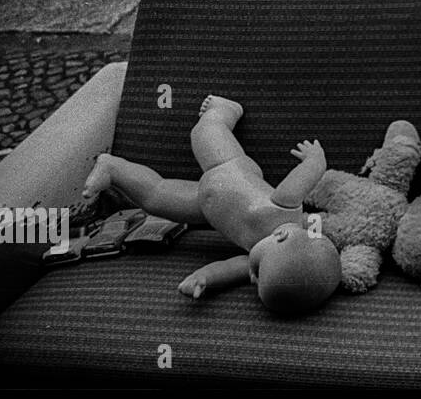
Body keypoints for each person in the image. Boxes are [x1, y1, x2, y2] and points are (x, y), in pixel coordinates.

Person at [82, 94, 341, 315]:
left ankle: (112, 168)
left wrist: (202, 279)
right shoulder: (284, 209)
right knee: (204, 132)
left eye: (257, 280)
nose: (252, 277)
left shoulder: (259, 256)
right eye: (258, 273)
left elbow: (227, 270)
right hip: (226, 166)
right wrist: (316, 160)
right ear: (282, 235)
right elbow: (302, 180)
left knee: (155, 197)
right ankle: (224, 110)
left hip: (204, 206)